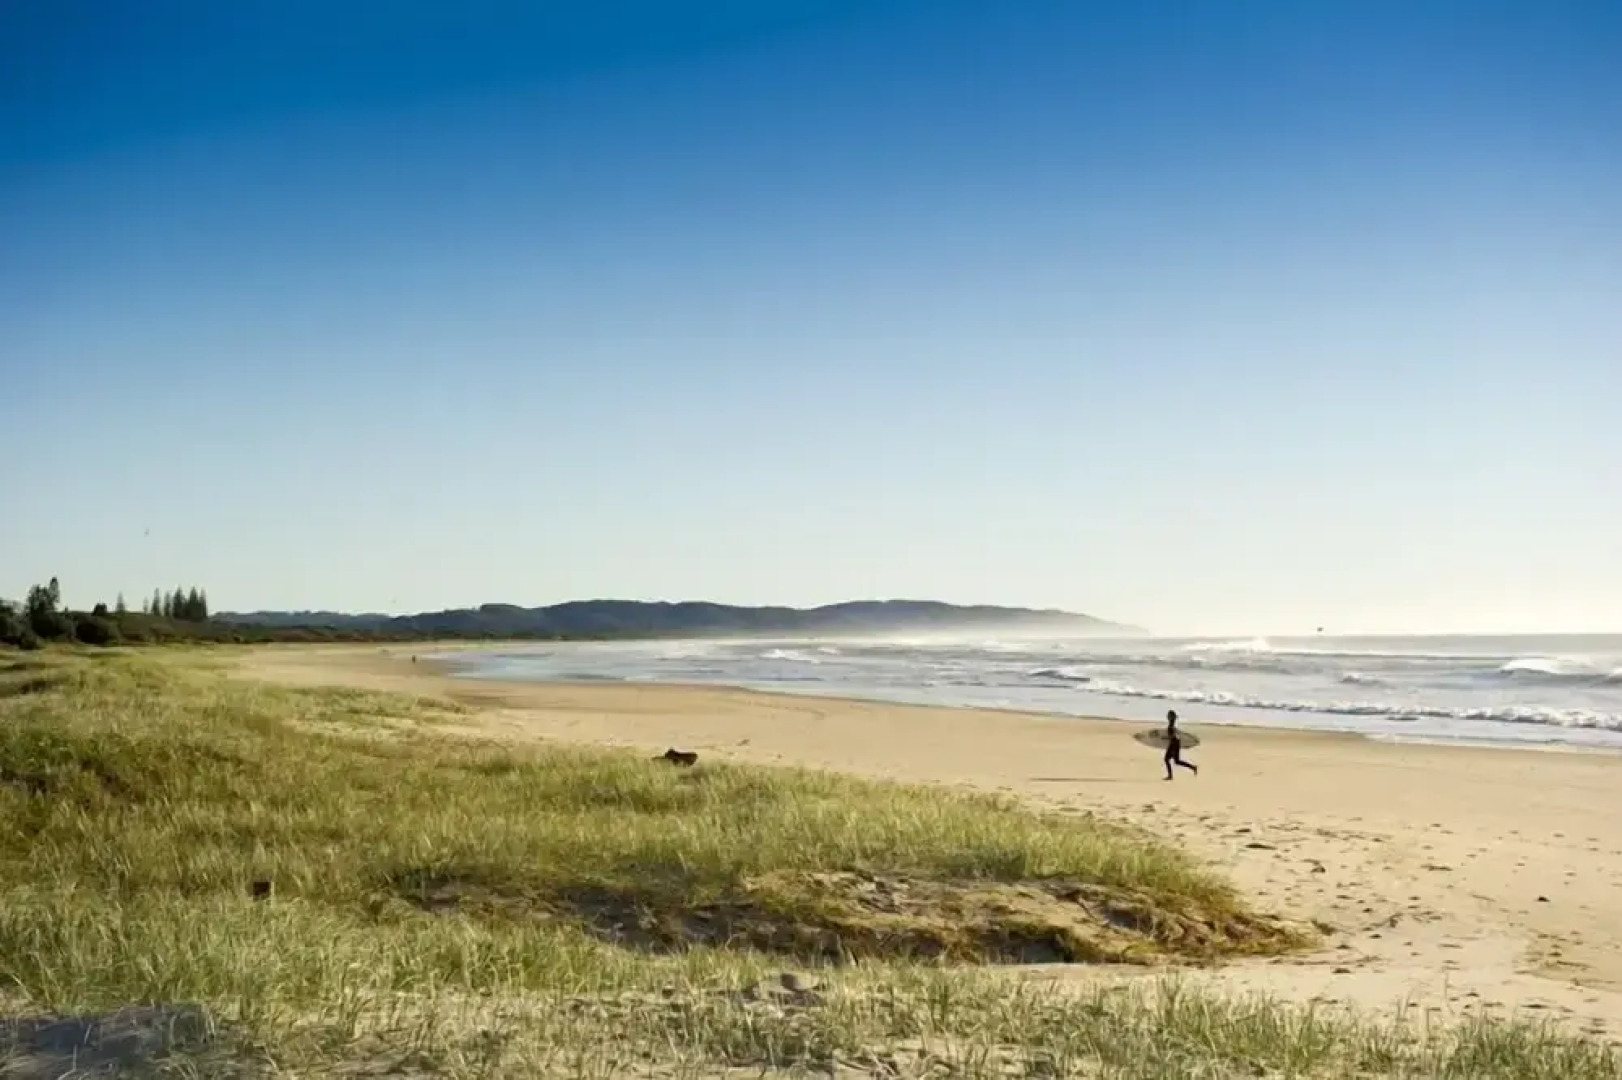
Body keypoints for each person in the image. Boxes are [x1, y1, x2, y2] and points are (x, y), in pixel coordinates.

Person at [1163, 709, 1197, 780]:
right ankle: (1193, 767)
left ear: (1171, 717)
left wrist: (1165, 738)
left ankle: (1170, 776)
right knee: (1177, 761)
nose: (1167, 716)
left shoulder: (1171, 726)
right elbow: (1176, 735)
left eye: (1169, 715)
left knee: (1166, 759)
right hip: (1176, 743)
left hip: (1173, 744)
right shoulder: (1173, 725)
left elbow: (1172, 736)